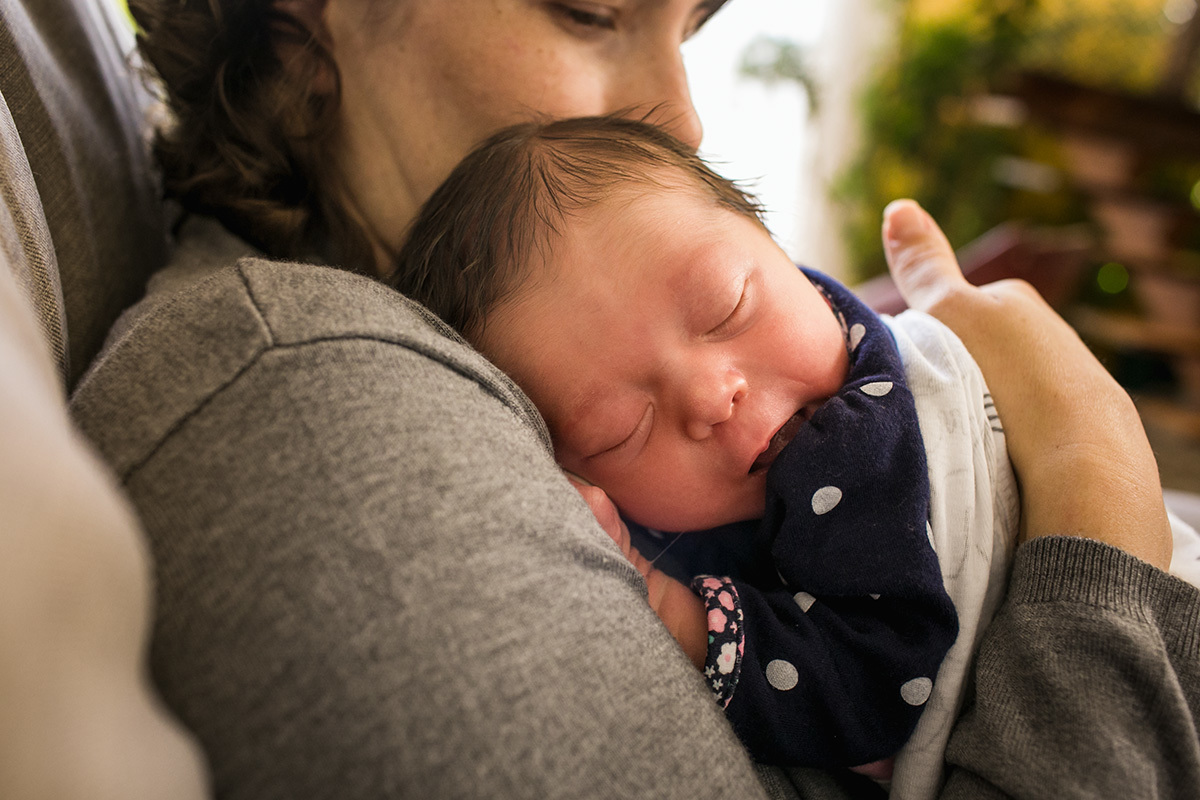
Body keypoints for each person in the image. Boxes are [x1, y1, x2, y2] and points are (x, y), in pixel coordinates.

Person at [62, 0, 1198, 797]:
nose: (684, 116)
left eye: (690, 25)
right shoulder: (320, 413)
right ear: (307, 17)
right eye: (590, 9)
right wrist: (1094, 468)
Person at [389, 115, 1019, 792]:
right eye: (621, 428)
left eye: (728, 307)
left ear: (779, 247)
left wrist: (669, 607)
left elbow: (871, 683)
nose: (712, 396)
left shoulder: (859, 441)